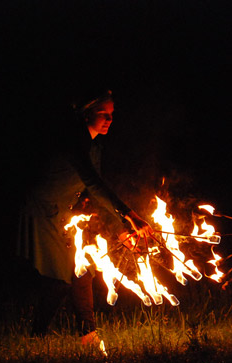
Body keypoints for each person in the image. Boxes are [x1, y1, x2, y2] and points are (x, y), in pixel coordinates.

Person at [17, 89, 153, 346]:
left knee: (82, 270)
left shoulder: (94, 145)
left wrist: (121, 229)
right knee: (63, 276)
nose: (109, 120)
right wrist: (129, 215)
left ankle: (85, 336)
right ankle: (38, 339)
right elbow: (92, 182)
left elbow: (94, 190)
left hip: (63, 213)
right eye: (103, 114)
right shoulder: (72, 139)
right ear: (86, 113)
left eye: (112, 115)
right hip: (43, 212)